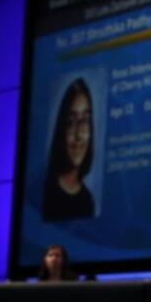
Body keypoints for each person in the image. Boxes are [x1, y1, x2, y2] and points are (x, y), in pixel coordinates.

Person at [42, 78, 96, 221]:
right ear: (61, 129)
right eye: (71, 122)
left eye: (84, 121)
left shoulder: (87, 201)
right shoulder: (44, 191)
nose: (78, 135)